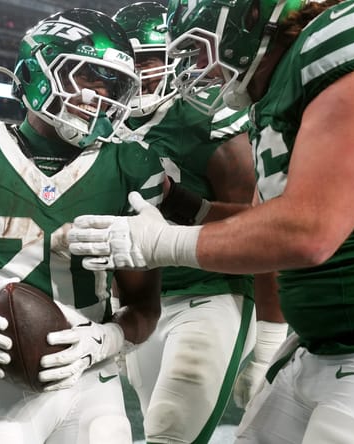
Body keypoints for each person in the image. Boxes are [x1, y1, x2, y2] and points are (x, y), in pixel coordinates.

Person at [69, 0, 354, 441]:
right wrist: (183, 203)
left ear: (249, 16)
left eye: (201, 48)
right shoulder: (276, 90)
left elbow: (307, 229)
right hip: (326, 341)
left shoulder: (348, 33)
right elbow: (265, 221)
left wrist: (162, 243)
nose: (201, 67)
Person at [0, 9, 165, 443]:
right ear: (39, 71)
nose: (97, 96)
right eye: (86, 77)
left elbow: (145, 309)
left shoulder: (129, 166)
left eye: (109, 85)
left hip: (91, 382)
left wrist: (104, 340)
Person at [111, 3, 286, 442]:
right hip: (140, 305)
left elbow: (261, 225)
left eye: (148, 61)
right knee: (156, 427)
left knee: (171, 430)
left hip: (210, 294)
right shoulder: (100, 128)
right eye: (126, 65)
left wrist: (270, 332)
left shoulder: (207, 115)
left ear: (174, 59)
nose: (137, 75)